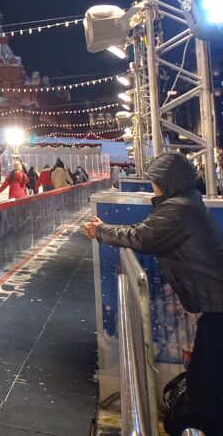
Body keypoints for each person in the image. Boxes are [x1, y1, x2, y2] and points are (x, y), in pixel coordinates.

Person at [84, 153, 223, 436]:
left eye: (155, 181)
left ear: (169, 181)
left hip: (218, 305)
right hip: (215, 303)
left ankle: (202, 426)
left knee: (208, 377)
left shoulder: (180, 209)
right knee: (206, 372)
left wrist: (99, 231)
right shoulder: (185, 203)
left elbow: (142, 237)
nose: (152, 186)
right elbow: (145, 231)